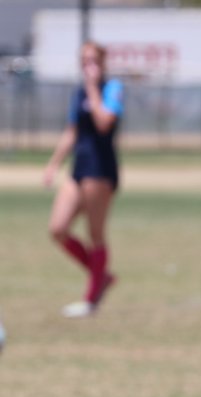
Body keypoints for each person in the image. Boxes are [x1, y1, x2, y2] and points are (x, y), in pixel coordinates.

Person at [43, 40, 123, 319]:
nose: (88, 66)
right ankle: (101, 276)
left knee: (95, 235)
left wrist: (92, 89)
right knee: (58, 229)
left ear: (102, 63)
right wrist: (54, 164)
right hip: (79, 168)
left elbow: (104, 122)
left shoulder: (112, 88)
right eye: (84, 61)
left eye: (93, 61)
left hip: (100, 170)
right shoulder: (79, 92)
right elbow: (72, 131)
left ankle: (90, 301)